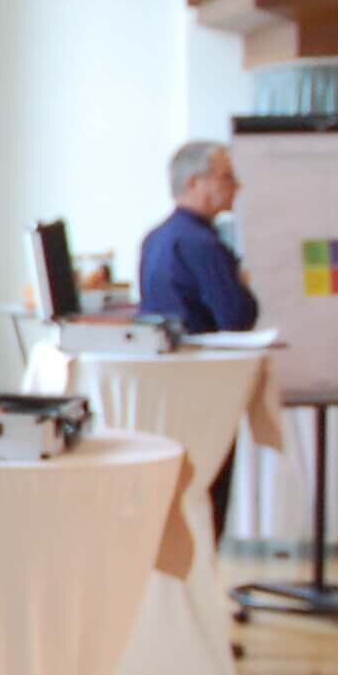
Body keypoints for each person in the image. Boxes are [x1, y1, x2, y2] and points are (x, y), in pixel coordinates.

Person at [140, 138, 262, 536]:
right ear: (194, 182)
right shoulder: (204, 245)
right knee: (208, 495)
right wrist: (241, 284)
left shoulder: (155, 239)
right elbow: (236, 317)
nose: (236, 186)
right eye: (226, 177)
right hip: (205, 391)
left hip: (163, 392)